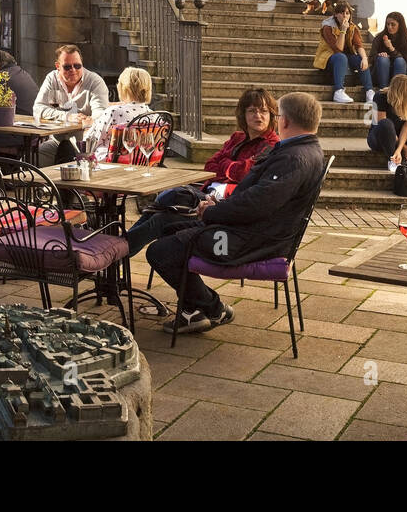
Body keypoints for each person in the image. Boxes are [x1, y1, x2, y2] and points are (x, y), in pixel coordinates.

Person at [147, 91, 325, 333]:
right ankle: (195, 310)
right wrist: (216, 208)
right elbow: (252, 198)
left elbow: (255, 204)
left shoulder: (294, 158)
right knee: (169, 227)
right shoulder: (301, 150)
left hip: (247, 242)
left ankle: (212, 307)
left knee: (160, 251)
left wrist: (211, 213)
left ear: (284, 121)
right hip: (253, 232)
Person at [125, 88, 280, 257]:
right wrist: (230, 167)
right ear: (243, 114)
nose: (258, 116)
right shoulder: (237, 138)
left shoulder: (272, 144)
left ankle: (114, 251)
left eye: (264, 111)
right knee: (159, 213)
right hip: (206, 194)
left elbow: (245, 173)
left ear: (272, 115)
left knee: (171, 200)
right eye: (252, 111)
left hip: (225, 205)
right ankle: (114, 252)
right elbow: (209, 166)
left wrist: (225, 165)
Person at [34, 45, 110, 164]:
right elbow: (38, 109)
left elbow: (100, 116)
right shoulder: (51, 79)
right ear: (58, 66)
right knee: (30, 160)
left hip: (84, 145)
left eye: (77, 65)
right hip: (57, 141)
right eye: (67, 67)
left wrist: (88, 122)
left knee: (67, 156)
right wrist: (67, 116)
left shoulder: (95, 82)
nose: (73, 70)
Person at [83, 66, 153, 161]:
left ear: (123, 88)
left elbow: (89, 143)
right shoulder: (154, 115)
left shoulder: (114, 112)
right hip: (142, 163)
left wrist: (87, 128)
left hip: (109, 164)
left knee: (67, 148)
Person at [314, 0, 375, 105]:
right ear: (336, 15)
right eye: (341, 13)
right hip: (329, 58)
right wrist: (342, 30)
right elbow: (338, 49)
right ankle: (338, 91)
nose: (345, 16)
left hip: (345, 58)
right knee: (341, 57)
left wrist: (365, 59)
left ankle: (369, 91)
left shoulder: (352, 27)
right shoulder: (327, 27)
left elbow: (359, 45)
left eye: (347, 13)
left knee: (359, 59)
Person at [370, 11, 407, 90]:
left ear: (400, 25)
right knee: (383, 59)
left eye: (393, 24)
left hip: (400, 71)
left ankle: (395, 92)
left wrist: (391, 48)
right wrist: (379, 56)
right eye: (388, 24)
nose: (389, 27)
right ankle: (383, 90)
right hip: (382, 72)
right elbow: (371, 58)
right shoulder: (379, 38)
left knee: (400, 61)